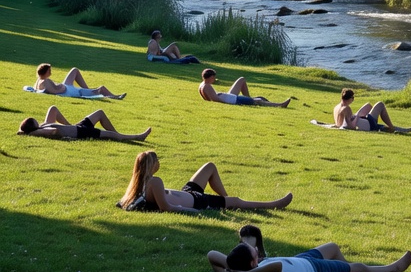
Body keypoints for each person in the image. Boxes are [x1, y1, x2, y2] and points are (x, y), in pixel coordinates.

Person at [117, 150, 292, 212]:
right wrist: (191, 211)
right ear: (151, 165)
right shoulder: (154, 182)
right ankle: (273, 204)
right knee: (237, 201)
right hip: (197, 201)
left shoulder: (138, 184)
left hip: (188, 193)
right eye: (157, 161)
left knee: (209, 167)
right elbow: (167, 208)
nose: (159, 163)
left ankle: (226, 201)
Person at [210, 239, 411, 272]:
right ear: (253, 262)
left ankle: (347, 271)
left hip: (302, 259)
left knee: (332, 247)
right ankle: (390, 270)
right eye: (254, 251)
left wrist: (233, 267)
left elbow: (212, 255)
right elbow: (277, 268)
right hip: (315, 271)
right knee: (359, 268)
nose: (256, 249)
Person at [19, 105, 151, 142]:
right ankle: (137, 137)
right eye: (37, 121)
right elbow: (54, 131)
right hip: (81, 133)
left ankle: (117, 135)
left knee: (99, 113)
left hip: (78, 127)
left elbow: (53, 109)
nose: (40, 121)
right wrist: (66, 136)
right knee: (108, 134)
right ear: (34, 127)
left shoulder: (41, 126)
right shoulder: (38, 131)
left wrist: (68, 125)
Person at [199, 69, 291, 107]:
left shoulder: (202, 85)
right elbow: (215, 100)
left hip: (229, 97)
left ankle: (249, 99)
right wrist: (233, 103)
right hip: (232, 100)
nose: (214, 79)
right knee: (258, 100)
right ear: (211, 77)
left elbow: (210, 98)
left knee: (242, 80)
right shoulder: (207, 86)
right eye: (214, 78)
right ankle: (280, 105)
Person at [334, 88, 411, 132]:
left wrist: (357, 116)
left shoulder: (336, 108)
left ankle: (389, 127)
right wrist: (357, 117)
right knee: (380, 104)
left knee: (370, 108)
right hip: (369, 124)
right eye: (353, 98)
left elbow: (339, 124)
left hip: (365, 122)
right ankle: (392, 127)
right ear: (350, 98)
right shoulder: (346, 108)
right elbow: (351, 127)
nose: (353, 100)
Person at [34, 64, 125, 100]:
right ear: (45, 72)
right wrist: (60, 87)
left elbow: (39, 89)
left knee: (74, 70)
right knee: (101, 88)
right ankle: (116, 97)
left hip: (66, 87)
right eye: (49, 71)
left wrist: (60, 86)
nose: (51, 72)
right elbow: (54, 92)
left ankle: (87, 89)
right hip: (70, 91)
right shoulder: (46, 81)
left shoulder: (39, 80)